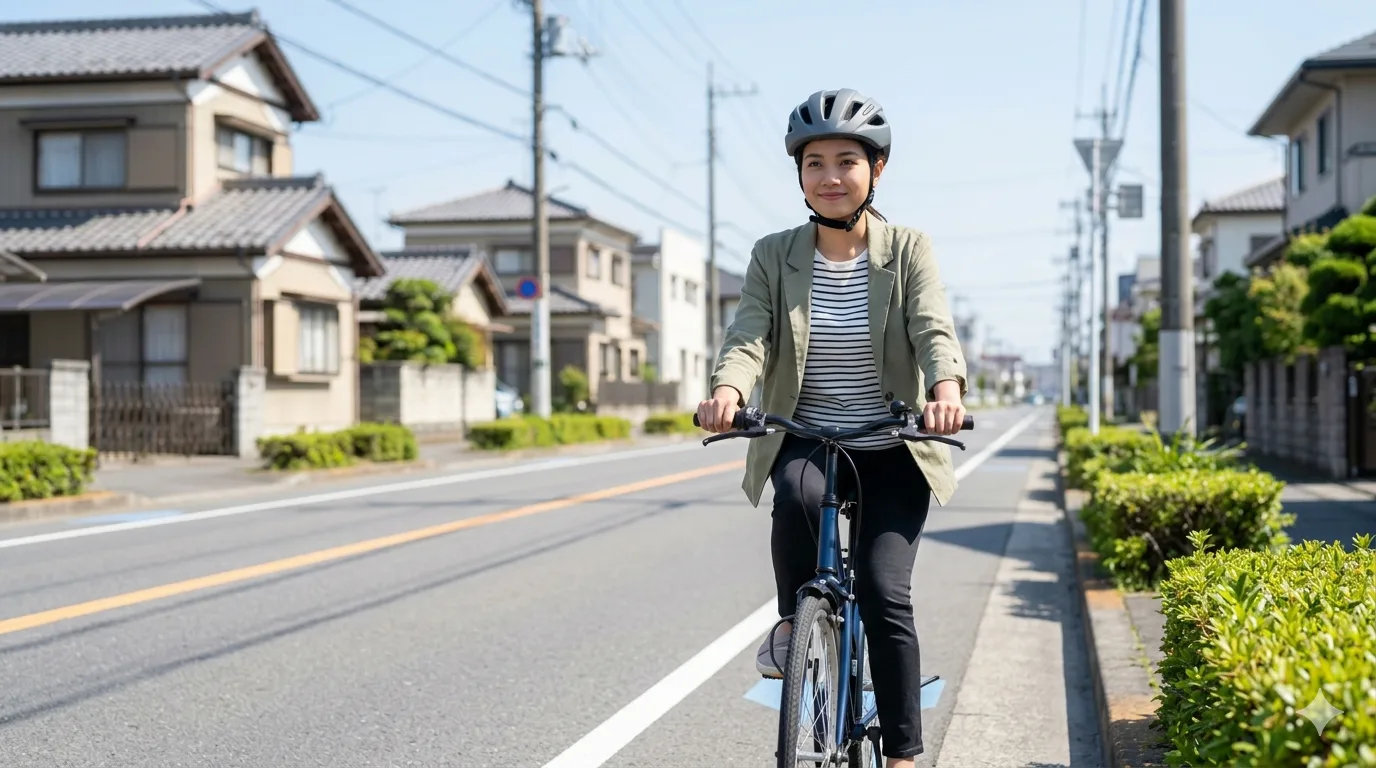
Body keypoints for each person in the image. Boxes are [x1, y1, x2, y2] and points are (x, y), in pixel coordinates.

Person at [696, 88, 967, 767]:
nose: (830, 176)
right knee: (798, 496)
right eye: (814, 162)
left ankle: (903, 755)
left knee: (883, 591)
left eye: (847, 160)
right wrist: (726, 392)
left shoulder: (908, 250)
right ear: (799, 175)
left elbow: (933, 329)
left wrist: (946, 393)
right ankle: (796, 622)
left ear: (877, 170)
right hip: (810, 435)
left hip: (892, 443)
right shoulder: (773, 255)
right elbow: (748, 336)